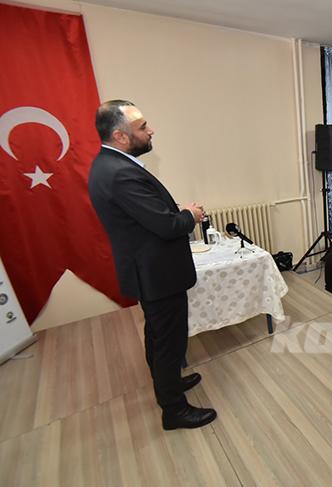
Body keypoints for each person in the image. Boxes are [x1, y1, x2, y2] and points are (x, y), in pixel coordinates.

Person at [88, 100, 216, 430]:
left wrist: (174, 212)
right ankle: (174, 410)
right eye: (142, 127)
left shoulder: (109, 164)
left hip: (149, 270)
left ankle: (168, 383)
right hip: (157, 273)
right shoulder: (120, 174)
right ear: (120, 136)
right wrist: (190, 215)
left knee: (159, 335)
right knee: (168, 340)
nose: (151, 130)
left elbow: (146, 216)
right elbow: (167, 226)